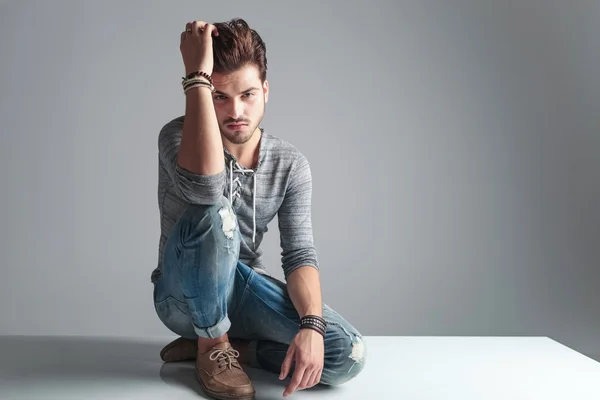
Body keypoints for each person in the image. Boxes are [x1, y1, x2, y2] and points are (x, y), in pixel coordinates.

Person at [151, 18, 366, 400]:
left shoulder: (290, 164)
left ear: (266, 91)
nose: (236, 111)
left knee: (345, 353)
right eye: (220, 96)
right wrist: (196, 75)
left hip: (242, 289)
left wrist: (312, 326)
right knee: (215, 211)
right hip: (179, 295)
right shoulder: (176, 137)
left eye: (247, 94)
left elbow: (300, 255)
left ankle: (235, 348)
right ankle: (212, 345)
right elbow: (206, 189)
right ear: (202, 92)